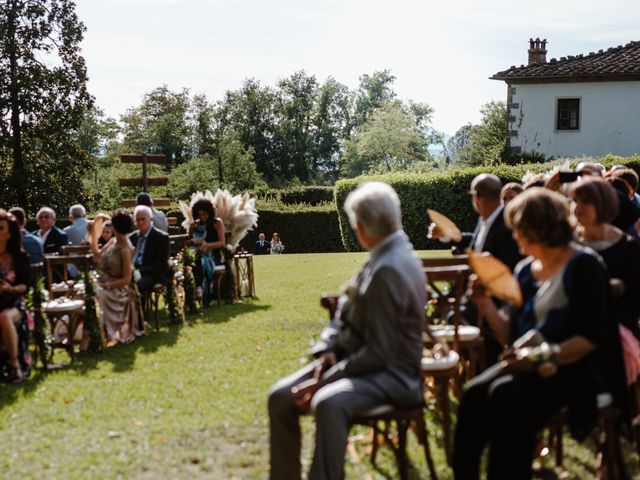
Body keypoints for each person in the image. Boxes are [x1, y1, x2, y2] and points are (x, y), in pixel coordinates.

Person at [453, 188, 626, 480]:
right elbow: (512, 335)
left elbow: (592, 337)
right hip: (530, 365)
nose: (514, 237)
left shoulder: (584, 265)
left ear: (537, 229)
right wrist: (486, 305)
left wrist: (536, 357)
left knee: (506, 395)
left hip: (578, 369)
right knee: (474, 394)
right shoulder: (524, 270)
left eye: (517, 230)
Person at [268, 182, 426, 480]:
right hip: (355, 361)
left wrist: (324, 379)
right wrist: (327, 350)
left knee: (327, 401)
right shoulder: (382, 254)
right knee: (279, 396)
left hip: (394, 374)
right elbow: (342, 313)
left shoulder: (390, 266)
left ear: (362, 228)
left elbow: (381, 352)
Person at [571, 178, 640, 338]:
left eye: (586, 201)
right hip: (573, 335)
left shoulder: (629, 248)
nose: (578, 207)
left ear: (603, 204)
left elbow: (635, 302)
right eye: (576, 201)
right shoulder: (567, 244)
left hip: (616, 337)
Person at [429, 174, 521, 271]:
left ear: (476, 197)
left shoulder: (509, 224)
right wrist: (447, 234)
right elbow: (478, 242)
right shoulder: (487, 216)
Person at [89, 211, 141, 345]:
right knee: (84, 292)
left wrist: (106, 286)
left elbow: (126, 279)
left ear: (115, 227)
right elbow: (97, 257)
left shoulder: (125, 249)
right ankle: (85, 333)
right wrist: (93, 236)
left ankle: (102, 334)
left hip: (119, 289)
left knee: (98, 294)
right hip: (104, 281)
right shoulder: (112, 242)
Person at [0, 210, 30, 383]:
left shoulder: (19, 257)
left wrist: (9, 288)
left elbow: (25, 286)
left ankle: (15, 366)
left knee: (4, 317)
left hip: (13, 302)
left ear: (9, 233)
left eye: (0, 228)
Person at [130, 206, 170, 307]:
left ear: (151, 220)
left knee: (138, 284)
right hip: (132, 271)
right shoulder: (132, 237)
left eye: (143, 219)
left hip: (152, 274)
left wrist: (140, 271)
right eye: (137, 219)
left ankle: (140, 316)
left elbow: (161, 265)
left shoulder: (161, 237)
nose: (140, 222)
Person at [188, 199, 225, 305]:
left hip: (213, 256)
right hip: (196, 255)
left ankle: (201, 292)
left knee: (200, 261)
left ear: (209, 212)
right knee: (192, 262)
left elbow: (222, 243)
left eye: (204, 214)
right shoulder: (193, 226)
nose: (202, 217)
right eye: (199, 215)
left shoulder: (217, 223)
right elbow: (189, 243)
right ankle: (193, 295)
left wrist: (207, 245)